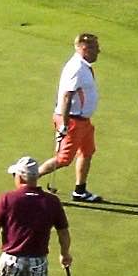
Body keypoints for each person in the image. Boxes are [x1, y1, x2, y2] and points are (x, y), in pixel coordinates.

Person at [40, 30, 104, 204]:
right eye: (95, 48)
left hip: (83, 121)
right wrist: (65, 125)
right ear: (84, 48)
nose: (99, 51)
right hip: (72, 120)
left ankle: (80, 191)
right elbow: (67, 96)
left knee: (87, 152)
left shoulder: (84, 66)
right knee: (63, 159)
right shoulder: (76, 68)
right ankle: (28, 178)